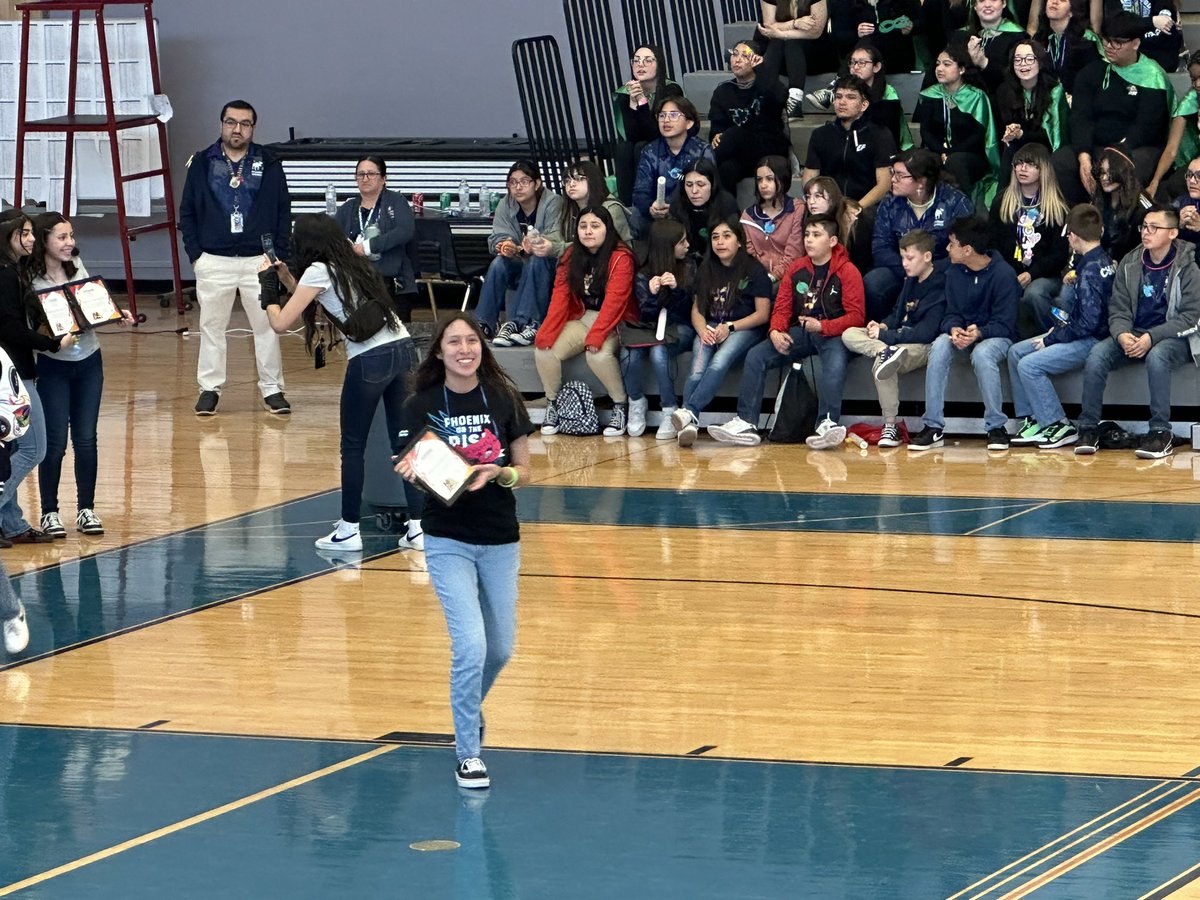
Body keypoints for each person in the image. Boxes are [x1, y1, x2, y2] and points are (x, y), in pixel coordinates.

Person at [394, 312, 535, 789]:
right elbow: (409, 461)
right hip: (446, 537)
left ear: (482, 347)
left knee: (501, 649)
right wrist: (413, 473)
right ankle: (468, 752)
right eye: (453, 341)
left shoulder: (503, 397)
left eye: (470, 340)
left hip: (500, 536)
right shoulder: (419, 404)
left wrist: (500, 475)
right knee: (470, 646)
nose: (463, 349)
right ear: (439, 352)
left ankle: (467, 711)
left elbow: (524, 472)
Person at [261, 214, 426, 553]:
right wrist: (289, 279)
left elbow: (280, 323)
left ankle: (349, 530)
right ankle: (418, 527)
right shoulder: (351, 262)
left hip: (370, 361)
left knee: (352, 447)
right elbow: (327, 302)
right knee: (405, 443)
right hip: (403, 350)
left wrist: (267, 287)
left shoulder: (318, 270)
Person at [708, 214, 864, 447]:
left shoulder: (848, 270)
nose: (809, 240)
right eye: (807, 235)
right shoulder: (797, 268)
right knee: (757, 355)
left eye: (816, 235)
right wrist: (775, 332)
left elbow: (856, 317)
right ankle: (746, 421)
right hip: (801, 332)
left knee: (835, 363)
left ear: (832, 241)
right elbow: (781, 307)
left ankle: (827, 424)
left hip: (834, 334)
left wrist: (823, 326)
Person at [179, 99, 291, 416]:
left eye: (244, 123)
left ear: (253, 128)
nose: (237, 129)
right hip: (213, 259)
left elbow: (284, 210)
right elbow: (186, 212)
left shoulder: (268, 162)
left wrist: (278, 255)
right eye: (231, 122)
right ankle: (209, 390)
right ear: (221, 125)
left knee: (268, 326)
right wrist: (196, 255)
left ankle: (272, 390)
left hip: (259, 260)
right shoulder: (202, 162)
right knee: (212, 327)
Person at [28, 212, 136, 536]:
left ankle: (86, 509)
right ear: (44, 240)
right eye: (62, 237)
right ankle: (49, 511)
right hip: (52, 366)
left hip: (89, 360)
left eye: (71, 236)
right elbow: (29, 326)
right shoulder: (31, 280)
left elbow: (92, 305)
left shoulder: (77, 266)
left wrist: (116, 315)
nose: (70, 243)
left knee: (86, 439)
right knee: (55, 442)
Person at [1075, 204, 1200, 458]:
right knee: (1098, 354)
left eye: (1155, 227)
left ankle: (1160, 432)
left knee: (1158, 355)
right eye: (1144, 226)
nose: (1146, 232)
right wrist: (1121, 333)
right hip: (1134, 332)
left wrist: (1151, 337)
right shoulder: (1130, 263)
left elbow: (1190, 317)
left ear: (1173, 233)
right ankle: (1088, 427)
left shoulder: (1188, 267)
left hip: (1175, 337)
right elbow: (1118, 308)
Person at [908, 216, 1021, 451]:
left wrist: (980, 332)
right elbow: (951, 312)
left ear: (967, 250)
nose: (948, 248)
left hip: (996, 336)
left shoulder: (1004, 275)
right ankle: (933, 426)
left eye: (952, 244)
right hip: (965, 334)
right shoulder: (954, 272)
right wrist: (953, 328)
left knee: (983, 354)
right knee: (939, 345)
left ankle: (996, 426)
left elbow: (1005, 324)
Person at [1007, 203, 1115, 448]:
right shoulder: (1096, 259)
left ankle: (1058, 424)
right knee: (1015, 352)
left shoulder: (1090, 270)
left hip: (1092, 340)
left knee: (1029, 365)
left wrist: (1052, 338)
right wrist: (1057, 330)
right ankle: (1032, 419)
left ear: (1073, 236)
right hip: (1079, 331)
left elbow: (1088, 324)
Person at [535, 206, 638, 438]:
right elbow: (559, 296)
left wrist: (597, 335)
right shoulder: (571, 255)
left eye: (595, 226)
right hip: (582, 317)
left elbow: (615, 302)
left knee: (597, 354)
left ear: (607, 229)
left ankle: (620, 405)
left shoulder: (621, 257)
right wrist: (547, 332)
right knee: (544, 349)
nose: (588, 231)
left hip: (616, 321)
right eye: (583, 226)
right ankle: (553, 404)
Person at [670, 216, 773, 447]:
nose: (720, 242)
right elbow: (697, 310)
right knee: (696, 371)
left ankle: (689, 412)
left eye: (727, 236)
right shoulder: (706, 269)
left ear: (739, 241)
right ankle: (689, 427)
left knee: (719, 361)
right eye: (715, 237)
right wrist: (702, 330)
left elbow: (762, 314)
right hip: (710, 326)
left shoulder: (754, 270)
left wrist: (731, 327)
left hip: (743, 328)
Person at [840, 229, 948, 447]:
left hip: (921, 347)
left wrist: (886, 334)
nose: (905, 264)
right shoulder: (910, 281)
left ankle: (891, 425)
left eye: (910, 258)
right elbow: (897, 313)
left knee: (883, 364)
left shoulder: (939, 284)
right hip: (895, 342)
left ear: (927, 257)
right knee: (849, 334)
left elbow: (926, 332)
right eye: (902, 258)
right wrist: (883, 325)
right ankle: (882, 349)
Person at [0, 212, 69, 545]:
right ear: (7, 235)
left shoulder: (14, 271)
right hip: (12, 376)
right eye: (23, 233)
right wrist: (51, 342)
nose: (30, 239)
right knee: (33, 449)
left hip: (14, 371)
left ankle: (11, 525)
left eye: (31, 233)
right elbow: (10, 329)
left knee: (11, 450)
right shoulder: (4, 276)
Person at [515, 160, 631, 349]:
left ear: (592, 181)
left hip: (605, 271)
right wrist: (539, 241)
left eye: (578, 179)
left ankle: (532, 324)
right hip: (577, 265)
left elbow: (599, 246)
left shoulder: (610, 208)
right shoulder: (569, 207)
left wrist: (553, 247)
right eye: (567, 180)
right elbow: (557, 234)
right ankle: (520, 323)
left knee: (541, 263)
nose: (571, 184)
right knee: (536, 260)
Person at [1064, 12, 1172, 198]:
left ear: (1135, 43)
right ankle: (1078, 219)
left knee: (1123, 168)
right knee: (1061, 161)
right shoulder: (1090, 73)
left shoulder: (1152, 76)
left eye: (1117, 42)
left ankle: (1121, 222)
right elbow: (1081, 117)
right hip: (1095, 147)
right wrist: (1084, 156)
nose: (1109, 47)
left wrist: (1115, 153)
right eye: (1106, 40)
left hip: (1135, 148)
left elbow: (1147, 126)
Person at [867, 149, 974, 321]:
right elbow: (880, 247)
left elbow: (965, 249)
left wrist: (930, 271)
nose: (893, 179)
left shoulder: (955, 202)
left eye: (900, 175)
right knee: (874, 282)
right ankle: (884, 331)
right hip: (901, 268)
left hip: (942, 270)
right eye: (893, 173)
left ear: (921, 182)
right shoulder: (890, 202)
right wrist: (909, 267)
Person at [620, 219, 697, 440]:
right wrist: (652, 296)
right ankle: (636, 401)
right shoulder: (643, 274)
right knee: (628, 353)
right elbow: (645, 314)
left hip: (679, 326)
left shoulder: (690, 266)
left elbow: (689, 310)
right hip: (650, 327)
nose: (687, 245)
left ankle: (669, 408)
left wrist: (676, 289)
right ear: (667, 245)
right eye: (682, 242)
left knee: (658, 351)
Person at [473, 160, 564, 342]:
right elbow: (498, 235)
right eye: (513, 183)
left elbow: (555, 239)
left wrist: (530, 246)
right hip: (521, 263)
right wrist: (505, 245)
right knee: (499, 262)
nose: (518, 187)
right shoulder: (505, 204)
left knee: (536, 259)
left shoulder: (553, 202)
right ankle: (484, 324)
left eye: (524, 181)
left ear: (537, 184)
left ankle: (525, 323)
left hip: (548, 265)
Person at [988, 143, 1072, 333]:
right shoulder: (1001, 202)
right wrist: (1007, 273)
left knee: (1034, 293)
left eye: (1030, 164)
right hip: (1008, 271)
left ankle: (1051, 336)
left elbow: (1059, 256)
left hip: (1044, 275)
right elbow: (992, 244)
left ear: (1044, 169)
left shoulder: (1057, 207)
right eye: (1018, 163)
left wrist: (1032, 273)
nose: (1022, 168)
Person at [333, 155, 417, 323]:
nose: (365, 178)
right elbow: (333, 237)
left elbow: (405, 231)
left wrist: (368, 246)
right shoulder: (348, 208)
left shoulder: (395, 201)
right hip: (356, 283)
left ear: (383, 178)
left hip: (392, 282)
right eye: (360, 174)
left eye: (371, 174)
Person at [801, 75, 897, 212]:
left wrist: (855, 209)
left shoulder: (880, 135)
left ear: (864, 104)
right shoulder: (820, 135)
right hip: (829, 207)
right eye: (838, 97)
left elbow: (884, 184)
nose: (842, 102)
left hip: (867, 208)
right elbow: (810, 179)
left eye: (850, 97)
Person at [913, 45, 1000, 195]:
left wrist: (951, 153)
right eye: (938, 64)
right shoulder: (930, 95)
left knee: (956, 161)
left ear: (961, 69)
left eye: (946, 64)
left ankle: (962, 211)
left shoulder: (976, 96)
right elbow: (926, 132)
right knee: (918, 161)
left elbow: (978, 136)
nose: (940, 68)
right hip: (938, 152)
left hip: (970, 154)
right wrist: (942, 152)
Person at [708, 40, 791, 193]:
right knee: (726, 168)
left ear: (756, 60)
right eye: (734, 54)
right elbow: (717, 127)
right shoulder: (723, 91)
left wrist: (762, 69)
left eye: (745, 56)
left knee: (734, 134)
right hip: (739, 152)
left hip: (769, 148)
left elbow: (779, 97)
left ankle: (702, 169)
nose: (737, 59)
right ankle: (728, 214)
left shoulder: (767, 84)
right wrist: (716, 136)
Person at [631, 96, 715, 236]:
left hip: (691, 212)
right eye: (662, 116)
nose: (666, 120)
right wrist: (651, 207)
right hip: (658, 214)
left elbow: (710, 190)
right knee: (637, 215)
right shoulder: (650, 151)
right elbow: (640, 191)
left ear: (689, 122)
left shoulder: (702, 150)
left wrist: (675, 209)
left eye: (674, 115)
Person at [612, 44, 683, 205]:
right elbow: (631, 136)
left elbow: (657, 134)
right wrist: (632, 103)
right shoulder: (625, 92)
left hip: (669, 147)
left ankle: (644, 201)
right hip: (643, 146)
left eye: (647, 60)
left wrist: (642, 103)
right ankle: (627, 205)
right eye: (636, 61)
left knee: (641, 147)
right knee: (624, 148)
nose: (640, 65)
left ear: (659, 64)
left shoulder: (671, 90)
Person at [994, 40, 1072, 173]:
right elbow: (1004, 126)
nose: (1023, 64)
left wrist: (1022, 134)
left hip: (1048, 147)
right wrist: (1012, 131)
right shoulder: (1005, 90)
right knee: (1009, 148)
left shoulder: (1054, 90)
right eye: (1017, 60)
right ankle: (1003, 194)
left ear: (1040, 62)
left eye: (1029, 59)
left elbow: (1054, 136)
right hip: (1019, 144)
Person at [756, 0, 831, 116]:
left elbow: (815, 32)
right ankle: (767, 96)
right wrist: (794, 24)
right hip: (785, 57)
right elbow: (768, 28)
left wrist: (783, 34)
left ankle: (794, 100)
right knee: (777, 42)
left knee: (790, 42)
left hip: (816, 54)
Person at [741, 155, 806, 284]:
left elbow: (794, 253)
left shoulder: (797, 209)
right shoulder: (748, 216)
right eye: (759, 180)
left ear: (783, 179)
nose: (763, 185)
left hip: (791, 277)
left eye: (769, 179)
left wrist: (773, 276)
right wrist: (761, 278)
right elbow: (749, 255)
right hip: (757, 279)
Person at [842, 41, 914, 152]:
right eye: (852, 62)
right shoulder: (845, 91)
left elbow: (891, 132)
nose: (855, 67)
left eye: (862, 63)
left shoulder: (888, 92)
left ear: (876, 67)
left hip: (884, 148)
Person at [1149, 50, 1200, 200]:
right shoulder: (1190, 100)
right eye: (1193, 79)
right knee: (1173, 185)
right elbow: (1171, 150)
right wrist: (1155, 181)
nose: (1197, 84)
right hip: (1197, 162)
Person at [667, 158, 739, 264]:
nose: (694, 191)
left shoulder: (726, 203)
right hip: (686, 262)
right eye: (689, 185)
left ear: (712, 184)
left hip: (721, 261)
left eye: (701, 185)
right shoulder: (677, 206)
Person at [1092, 147, 1154, 261]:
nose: (1104, 178)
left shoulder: (1142, 206)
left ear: (1124, 173)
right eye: (1101, 172)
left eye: (1110, 173)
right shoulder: (1099, 200)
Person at [1034, 0, 1104, 93]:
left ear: (1071, 11)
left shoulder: (1085, 41)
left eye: (1062, 0)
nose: (1054, 2)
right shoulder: (1040, 38)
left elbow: (1094, 80)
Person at [962, 0, 1030, 89]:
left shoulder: (1018, 38)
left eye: (993, 0)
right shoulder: (964, 36)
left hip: (1004, 98)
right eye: (982, 0)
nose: (987, 5)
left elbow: (1015, 78)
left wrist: (984, 63)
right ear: (975, 6)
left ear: (1004, 3)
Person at [1103, 0, 1181, 73]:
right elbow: (1115, 24)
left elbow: (1166, 20)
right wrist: (1152, 21)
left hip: (1158, 53)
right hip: (1125, 53)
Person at [1172, 156, 1200, 249]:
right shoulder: (1180, 203)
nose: (1191, 180)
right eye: (1189, 174)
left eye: (1199, 175)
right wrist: (1179, 226)